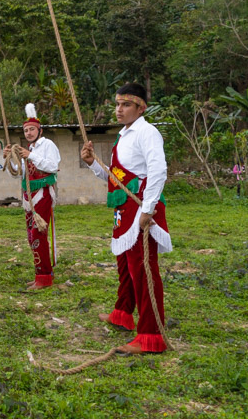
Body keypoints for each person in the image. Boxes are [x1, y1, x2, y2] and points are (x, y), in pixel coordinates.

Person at [80, 83, 172, 354]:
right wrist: (92, 163)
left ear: (140, 107)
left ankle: (151, 335)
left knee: (143, 269)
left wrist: (148, 209)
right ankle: (122, 313)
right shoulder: (124, 135)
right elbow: (115, 178)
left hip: (141, 206)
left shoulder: (147, 132)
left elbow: (159, 171)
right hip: (125, 208)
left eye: (126, 105)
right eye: (117, 104)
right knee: (126, 265)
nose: (119, 109)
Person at [3, 103, 60, 290]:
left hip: (42, 194)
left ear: (39, 130)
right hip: (29, 196)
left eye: (32, 129)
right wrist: (10, 157)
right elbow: (20, 173)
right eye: (26, 130)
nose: (28, 133)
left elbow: (53, 167)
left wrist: (31, 156)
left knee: (38, 234)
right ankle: (41, 273)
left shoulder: (47, 145)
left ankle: (44, 277)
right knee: (31, 235)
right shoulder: (27, 149)